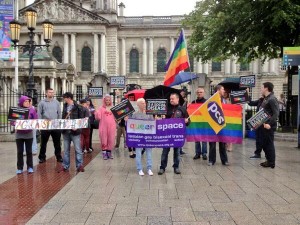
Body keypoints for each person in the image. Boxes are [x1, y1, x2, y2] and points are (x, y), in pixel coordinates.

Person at [158, 93, 190, 175]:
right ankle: (162, 167)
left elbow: (188, 122)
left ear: (177, 99)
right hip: (167, 134)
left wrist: (186, 121)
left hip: (177, 135)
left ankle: (176, 167)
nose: (171, 100)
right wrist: (161, 119)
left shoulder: (182, 109)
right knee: (165, 151)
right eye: (170, 99)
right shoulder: (166, 109)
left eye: (172, 98)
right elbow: (159, 121)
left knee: (177, 152)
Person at [60, 92, 85, 172]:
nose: (64, 99)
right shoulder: (64, 106)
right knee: (66, 150)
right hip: (66, 131)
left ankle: (79, 165)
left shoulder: (78, 107)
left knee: (78, 149)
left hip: (75, 131)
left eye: (65, 98)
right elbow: (63, 117)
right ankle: (65, 165)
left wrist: (77, 128)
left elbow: (81, 119)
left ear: (68, 98)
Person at [38, 88, 63, 163]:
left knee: (57, 142)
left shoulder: (56, 102)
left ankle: (58, 156)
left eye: (52, 92)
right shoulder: (42, 103)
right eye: (49, 92)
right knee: (43, 143)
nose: (51, 94)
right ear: (46, 93)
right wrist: (40, 124)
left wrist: (58, 122)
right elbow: (39, 114)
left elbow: (59, 113)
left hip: (55, 125)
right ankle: (42, 157)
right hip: (45, 125)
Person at [14, 96, 38, 174]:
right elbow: (12, 121)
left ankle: (30, 167)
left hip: (28, 134)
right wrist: (16, 123)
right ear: (22, 102)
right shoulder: (17, 110)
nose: (27, 103)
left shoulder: (32, 110)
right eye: (26, 101)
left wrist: (31, 122)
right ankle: (20, 168)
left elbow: (36, 120)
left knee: (29, 151)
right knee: (20, 151)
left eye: (28, 101)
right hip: (19, 134)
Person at [131, 98, 154, 176]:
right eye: (142, 103)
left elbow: (153, 124)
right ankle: (139, 168)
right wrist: (127, 121)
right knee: (138, 152)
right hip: (139, 137)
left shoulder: (149, 114)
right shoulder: (135, 115)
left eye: (145, 103)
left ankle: (149, 168)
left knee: (149, 153)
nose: (144, 104)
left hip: (148, 136)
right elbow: (131, 126)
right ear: (138, 105)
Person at [259, 82, 279, 168]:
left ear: (266, 88)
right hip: (264, 124)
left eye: (262, 87)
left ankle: (271, 162)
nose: (261, 89)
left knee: (269, 143)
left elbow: (276, 113)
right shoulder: (266, 98)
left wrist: (269, 124)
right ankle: (268, 160)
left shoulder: (272, 99)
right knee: (264, 143)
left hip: (269, 125)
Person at [208, 85, 229, 166]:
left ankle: (224, 160)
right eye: (223, 89)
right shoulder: (211, 99)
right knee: (212, 144)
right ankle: (211, 160)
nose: (224, 91)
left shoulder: (224, 100)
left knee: (223, 143)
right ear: (218, 90)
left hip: (221, 124)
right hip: (213, 124)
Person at [95, 94, 117, 160]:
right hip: (103, 126)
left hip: (112, 126)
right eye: (106, 100)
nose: (108, 101)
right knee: (104, 139)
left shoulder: (113, 108)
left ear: (111, 101)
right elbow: (98, 117)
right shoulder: (101, 108)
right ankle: (104, 154)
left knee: (111, 139)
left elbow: (116, 117)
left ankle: (109, 153)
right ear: (104, 100)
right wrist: (96, 109)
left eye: (109, 100)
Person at [191, 87, 208, 160]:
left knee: (204, 139)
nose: (199, 93)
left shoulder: (207, 102)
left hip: (204, 123)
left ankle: (204, 153)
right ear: (196, 93)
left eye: (201, 92)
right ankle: (197, 153)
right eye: (198, 92)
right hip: (196, 123)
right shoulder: (193, 102)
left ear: (204, 93)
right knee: (197, 139)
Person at [179, 90, 188, 155]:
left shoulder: (185, 101)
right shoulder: (178, 101)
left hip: (183, 119)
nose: (182, 95)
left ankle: (181, 149)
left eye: (183, 94)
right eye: (181, 94)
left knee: (182, 136)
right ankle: (178, 149)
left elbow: (186, 109)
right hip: (178, 120)